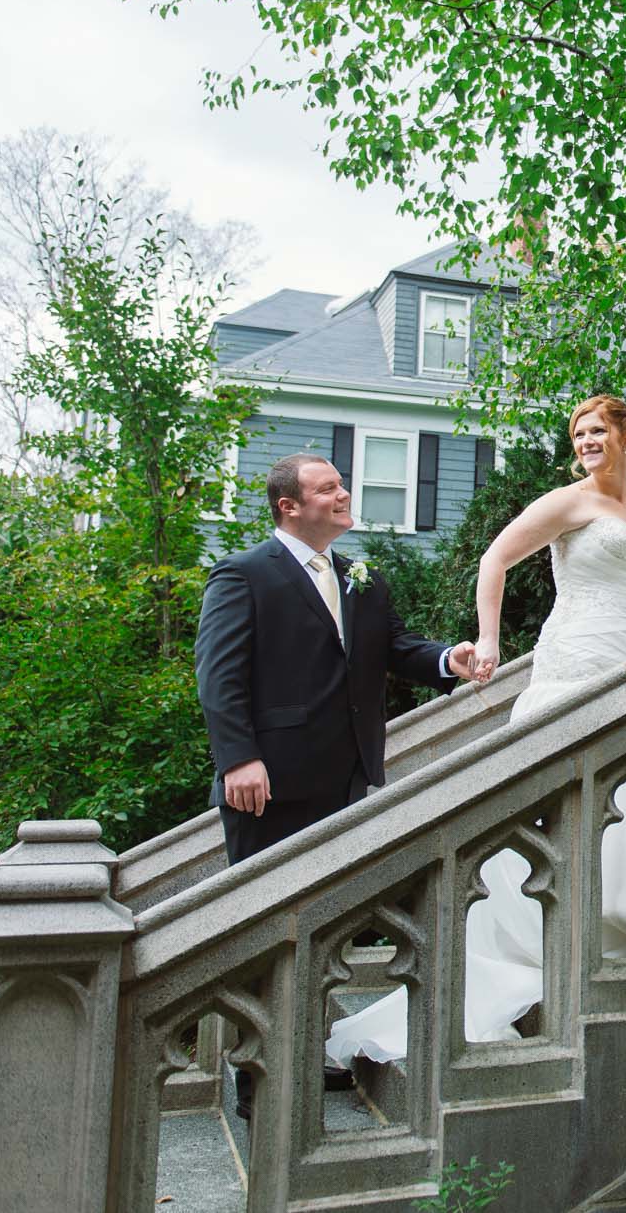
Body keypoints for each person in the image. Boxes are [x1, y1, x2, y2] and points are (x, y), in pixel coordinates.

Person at [325, 396, 626, 1063]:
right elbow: (494, 559)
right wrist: (488, 640)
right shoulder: (567, 501)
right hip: (575, 656)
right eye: (578, 433)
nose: (587, 441)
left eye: (598, 430)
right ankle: (571, 926)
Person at [195, 451, 475, 1117]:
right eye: (328, 488)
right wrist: (239, 759)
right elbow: (218, 674)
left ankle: (302, 1051)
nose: (344, 494)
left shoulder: (360, 578)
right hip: (269, 786)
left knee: (321, 928)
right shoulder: (243, 574)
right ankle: (257, 1077)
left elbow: (395, 647)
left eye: (343, 484)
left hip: (347, 781)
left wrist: (447, 658)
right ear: (289, 505)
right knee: (264, 930)